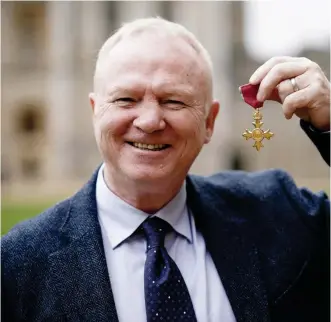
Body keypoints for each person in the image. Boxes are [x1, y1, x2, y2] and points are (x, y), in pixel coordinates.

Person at [2, 17, 330, 322]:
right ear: (94, 112)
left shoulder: (278, 214)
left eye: (174, 101)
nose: (149, 121)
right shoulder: (16, 267)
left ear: (209, 122)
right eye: (126, 99)